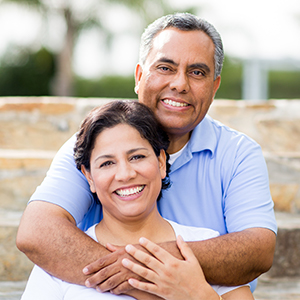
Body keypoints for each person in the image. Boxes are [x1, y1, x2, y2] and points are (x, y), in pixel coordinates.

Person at [16, 12, 277, 296]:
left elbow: (258, 250)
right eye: (165, 67)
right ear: (139, 77)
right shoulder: (95, 143)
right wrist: (147, 282)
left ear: (215, 87)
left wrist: (145, 267)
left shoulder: (238, 154)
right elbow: (37, 231)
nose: (180, 84)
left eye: (197, 72)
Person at [21, 100, 254, 300]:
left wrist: (198, 295)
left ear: (161, 162)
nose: (125, 174)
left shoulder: (205, 245)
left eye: (137, 157)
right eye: (107, 163)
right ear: (88, 177)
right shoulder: (59, 260)